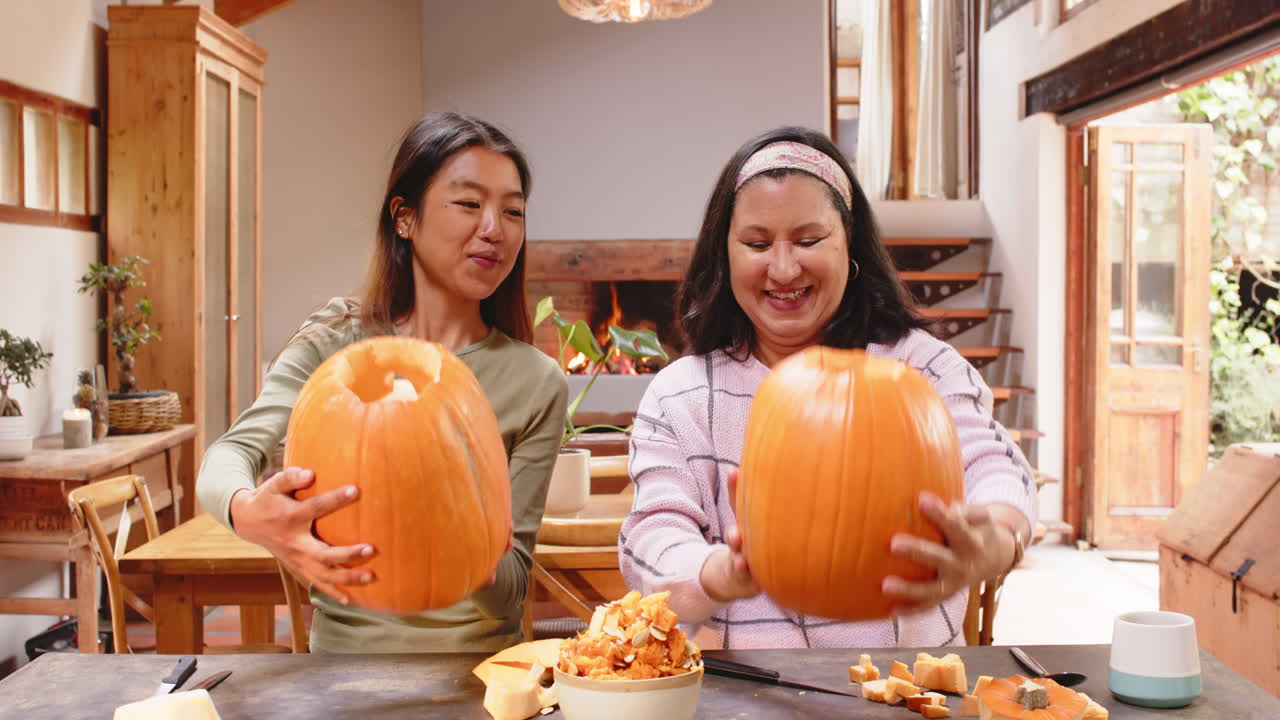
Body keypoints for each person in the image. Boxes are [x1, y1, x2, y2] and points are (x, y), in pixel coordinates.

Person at [619, 127, 1038, 649]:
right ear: (725, 256)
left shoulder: (921, 367)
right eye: (756, 243)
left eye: (809, 240)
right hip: (759, 698)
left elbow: (995, 469)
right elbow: (650, 542)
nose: (784, 267)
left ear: (849, 244)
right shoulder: (680, 394)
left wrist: (994, 538)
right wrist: (723, 572)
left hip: (906, 692)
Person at [196, 112, 568, 653]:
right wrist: (249, 512)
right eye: (469, 204)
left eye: (513, 211)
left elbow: (511, 591)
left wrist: (481, 549)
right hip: (343, 671)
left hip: (482, 677)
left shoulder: (536, 381)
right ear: (404, 218)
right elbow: (228, 456)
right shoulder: (336, 341)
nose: (495, 228)